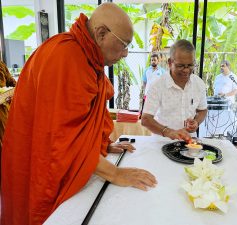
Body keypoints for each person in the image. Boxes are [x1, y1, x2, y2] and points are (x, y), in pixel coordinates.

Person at [1, 3, 156, 225]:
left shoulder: (86, 55)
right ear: (101, 33)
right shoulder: (65, 57)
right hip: (41, 162)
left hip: (60, 155)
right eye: (123, 45)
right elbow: (62, 139)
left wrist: (101, 145)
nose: (125, 54)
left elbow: (81, 122)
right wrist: (115, 173)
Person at [141, 39, 207, 140]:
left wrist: (196, 122)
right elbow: (145, 119)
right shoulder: (157, 85)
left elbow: (202, 110)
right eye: (180, 66)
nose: (186, 70)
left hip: (189, 143)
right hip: (162, 143)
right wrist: (168, 132)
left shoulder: (198, 83)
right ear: (170, 63)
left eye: (190, 65)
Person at [0, 60, 16, 181]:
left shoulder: (0, 63)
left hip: (3, 111)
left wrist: (14, 92)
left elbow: (11, 82)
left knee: (6, 145)